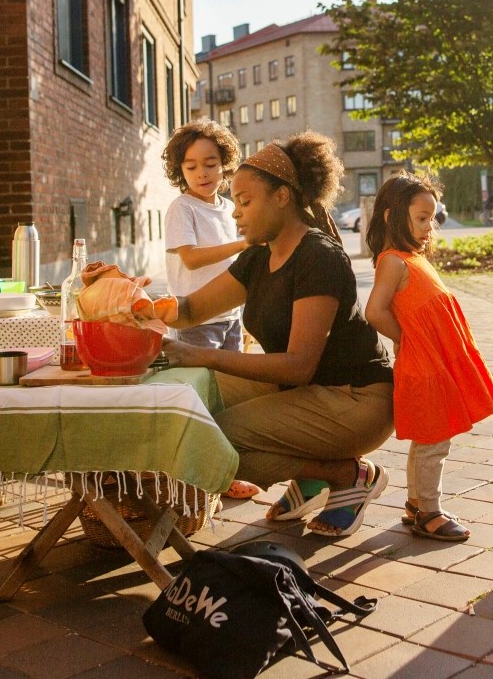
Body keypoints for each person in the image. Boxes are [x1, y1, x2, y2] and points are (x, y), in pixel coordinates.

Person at [159, 132, 394, 537]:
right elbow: (191, 309)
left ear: (282, 197)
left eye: (246, 202)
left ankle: (344, 474)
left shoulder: (318, 257)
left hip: (355, 399)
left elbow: (299, 366)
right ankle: (312, 476)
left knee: (214, 435)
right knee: (197, 399)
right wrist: (140, 306)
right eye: (235, 202)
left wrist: (203, 355)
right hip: (305, 392)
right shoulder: (258, 256)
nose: (235, 213)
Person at [364, 173, 493, 542]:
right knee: (434, 440)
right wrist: (406, 338)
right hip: (424, 364)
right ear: (392, 216)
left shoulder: (412, 258)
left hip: (434, 361)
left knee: (429, 439)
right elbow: (374, 312)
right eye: (422, 218)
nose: (431, 226)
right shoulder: (393, 261)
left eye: (433, 217)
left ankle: (416, 505)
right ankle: (429, 510)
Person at [160, 120, 261, 501]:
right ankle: (193, 478)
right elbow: (191, 258)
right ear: (179, 170)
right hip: (194, 321)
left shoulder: (228, 207)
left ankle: (222, 474)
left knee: (227, 398)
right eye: (191, 166)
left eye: (211, 163)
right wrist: (242, 245)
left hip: (230, 317)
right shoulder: (180, 208)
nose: (202, 173)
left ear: (225, 164)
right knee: (198, 400)